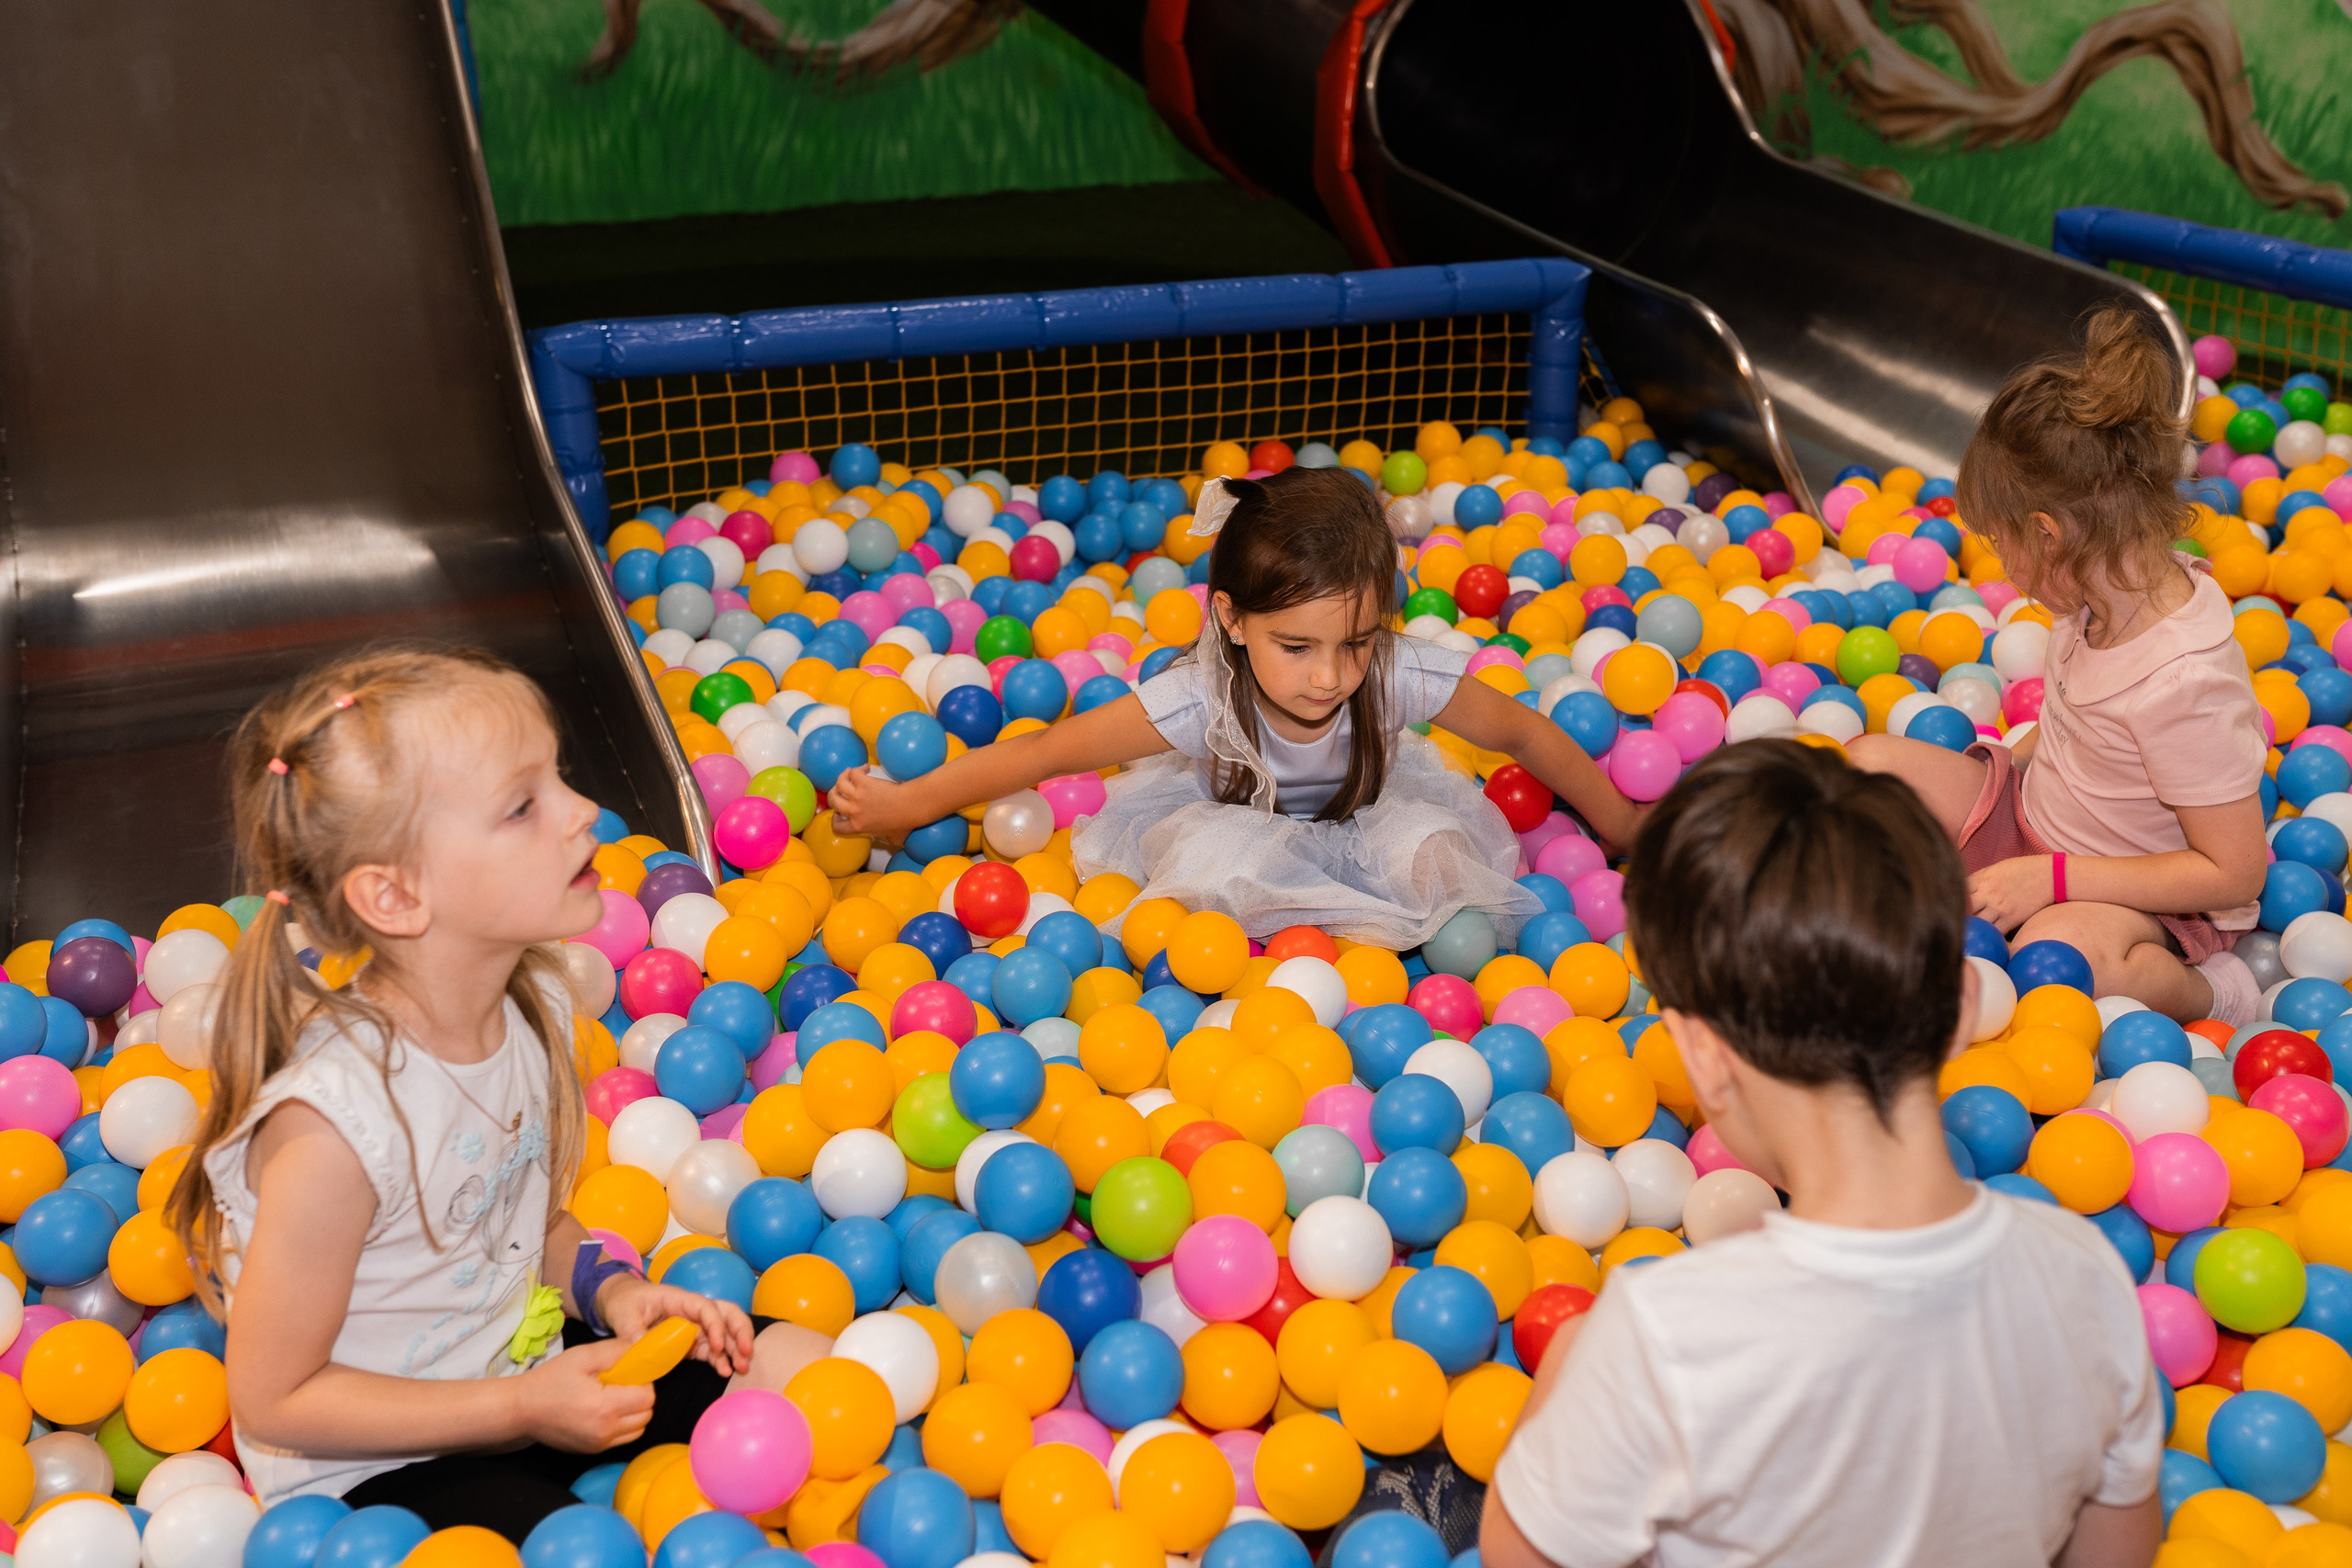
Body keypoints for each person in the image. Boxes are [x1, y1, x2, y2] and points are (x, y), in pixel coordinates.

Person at [1481, 740, 2163, 1568]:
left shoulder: (1661, 1339)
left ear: (1702, 1056)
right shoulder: (2088, 1276)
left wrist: (1569, 1381)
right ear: (1963, 1006)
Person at [166, 648, 754, 1537]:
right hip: (377, 1475)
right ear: (394, 895)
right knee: (576, 1551)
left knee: (768, 1363)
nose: (584, 810)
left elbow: (519, 1223)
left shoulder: (529, 999)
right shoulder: (335, 1129)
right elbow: (275, 1396)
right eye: (524, 806)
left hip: (527, 1376)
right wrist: (517, 1409)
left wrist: (612, 1295)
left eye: (557, 778)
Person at [829, 465, 1640, 948]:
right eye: (1297, 647)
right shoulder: (1199, 697)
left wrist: (1624, 826)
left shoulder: (1392, 673)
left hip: (1370, 813)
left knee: (1438, 863)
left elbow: (1526, 732)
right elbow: (1042, 755)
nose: (1329, 677)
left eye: (1354, 643)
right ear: (1231, 620)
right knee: (1224, 880)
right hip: (1235, 822)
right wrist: (904, 802)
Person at [1849, 306, 2267, 1024]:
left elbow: (2235, 870)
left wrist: (2054, 879)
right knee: (1863, 766)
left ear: (2048, 537)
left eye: (2001, 545)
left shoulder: (2183, 681)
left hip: (2129, 888)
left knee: (2055, 961)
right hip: (2032, 823)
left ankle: (2213, 990)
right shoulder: (2096, 596)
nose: (2004, 569)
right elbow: (2081, 715)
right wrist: (2014, 764)